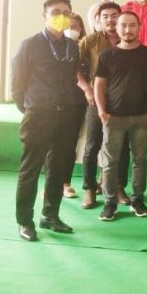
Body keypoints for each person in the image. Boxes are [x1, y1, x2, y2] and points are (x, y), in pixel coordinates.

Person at [12, 0, 85, 241]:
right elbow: (17, 83)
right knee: (30, 169)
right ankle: (25, 221)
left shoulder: (72, 46)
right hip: (38, 114)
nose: (61, 16)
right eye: (55, 12)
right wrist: (28, 107)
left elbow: (73, 79)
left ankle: (50, 215)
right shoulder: (29, 45)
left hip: (67, 114)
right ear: (44, 16)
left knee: (58, 168)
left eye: (66, 12)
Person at [93, 11, 147, 221]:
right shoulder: (107, 55)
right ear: (117, 28)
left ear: (139, 27)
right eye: (123, 25)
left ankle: (137, 200)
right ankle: (110, 202)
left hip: (141, 116)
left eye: (132, 25)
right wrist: (102, 111)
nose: (127, 30)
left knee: (140, 161)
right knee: (110, 162)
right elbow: (99, 85)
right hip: (114, 117)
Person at [79, 2, 126, 209]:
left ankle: (118, 187)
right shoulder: (89, 41)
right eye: (105, 16)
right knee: (92, 145)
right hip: (96, 100)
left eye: (114, 15)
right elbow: (74, 68)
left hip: (122, 101)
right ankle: (89, 189)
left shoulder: (128, 39)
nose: (110, 20)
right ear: (98, 19)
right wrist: (87, 89)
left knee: (122, 146)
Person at [61, 13, 88, 199]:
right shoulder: (54, 47)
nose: (71, 30)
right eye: (68, 26)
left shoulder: (84, 47)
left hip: (80, 101)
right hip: (59, 102)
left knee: (73, 143)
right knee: (59, 144)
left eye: (75, 27)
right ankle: (57, 184)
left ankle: (66, 183)